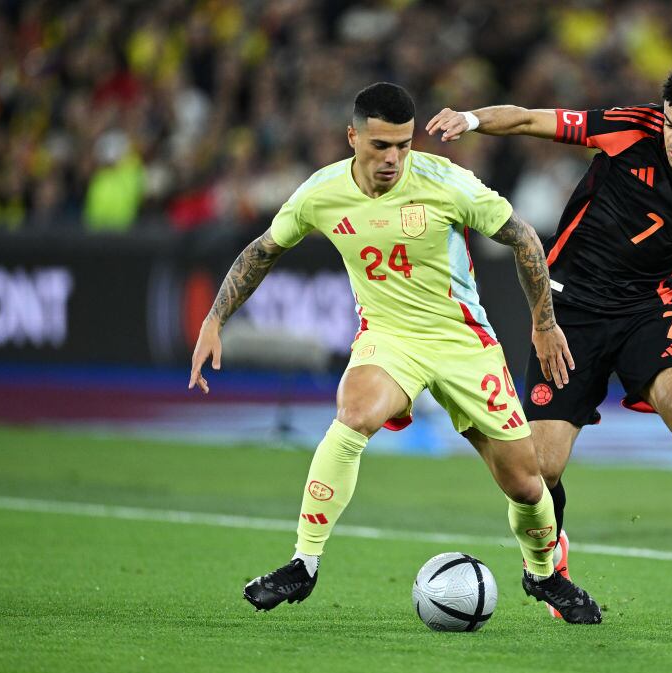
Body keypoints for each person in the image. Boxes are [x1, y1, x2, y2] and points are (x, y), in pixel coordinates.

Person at [188, 82, 602, 624]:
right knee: (355, 413)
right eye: (380, 145)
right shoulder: (321, 192)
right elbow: (262, 250)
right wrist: (215, 318)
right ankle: (303, 563)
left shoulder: (446, 182)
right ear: (352, 137)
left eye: (403, 145)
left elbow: (524, 238)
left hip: (462, 342)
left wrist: (544, 324)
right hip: (389, 337)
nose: (393, 158)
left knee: (526, 482)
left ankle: (544, 574)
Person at [427, 61, 672, 624]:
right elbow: (530, 120)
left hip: (644, 311)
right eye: (671, 124)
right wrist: (470, 118)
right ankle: (552, 558)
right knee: (540, 472)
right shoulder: (630, 126)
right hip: (568, 311)